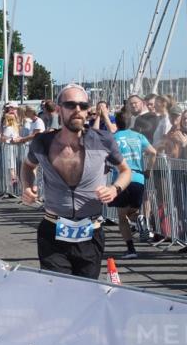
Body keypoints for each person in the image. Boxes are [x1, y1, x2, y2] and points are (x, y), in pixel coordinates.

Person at [20, 85, 131, 279]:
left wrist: (115, 188)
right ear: (59, 109)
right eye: (71, 105)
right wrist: (27, 187)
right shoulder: (42, 142)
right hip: (53, 231)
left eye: (83, 105)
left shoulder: (103, 140)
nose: (77, 110)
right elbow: (28, 166)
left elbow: (125, 171)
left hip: (90, 232)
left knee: (86, 296)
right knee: (59, 293)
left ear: (89, 109)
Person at [109, 109, 156, 260]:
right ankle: (140, 218)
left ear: (116, 123)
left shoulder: (113, 138)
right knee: (132, 211)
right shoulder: (138, 136)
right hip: (138, 178)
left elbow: (107, 157)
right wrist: (148, 169)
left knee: (122, 217)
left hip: (122, 179)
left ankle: (131, 249)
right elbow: (153, 152)